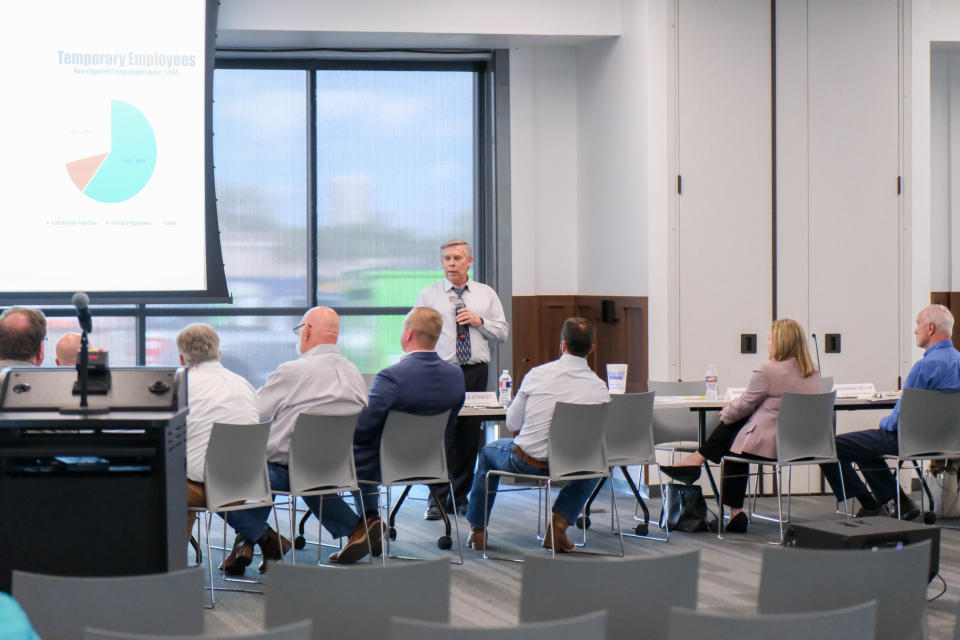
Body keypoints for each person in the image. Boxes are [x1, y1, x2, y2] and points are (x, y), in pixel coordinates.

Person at [221, 306, 368, 574]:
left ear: (307, 331)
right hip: (330, 469)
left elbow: (254, 412)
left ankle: (262, 538)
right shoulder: (355, 374)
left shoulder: (292, 371)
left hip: (283, 470)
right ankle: (355, 526)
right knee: (282, 471)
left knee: (218, 476)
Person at [328, 306, 467, 563]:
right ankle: (370, 527)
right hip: (433, 463)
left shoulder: (391, 377)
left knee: (349, 452)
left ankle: (367, 523)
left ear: (409, 334)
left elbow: (365, 429)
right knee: (362, 451)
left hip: (387, 464)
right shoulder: (456, 376)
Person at [661, 318, 821, 533]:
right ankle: (697, 460)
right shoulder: (814, 373)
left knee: (735, 441)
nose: (766, 344)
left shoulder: (767, 371)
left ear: (780, 342)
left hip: (773, 448)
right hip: (805, 446)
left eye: (769, 339)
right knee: (740, 433)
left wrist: (726, 413)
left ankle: (732, 508)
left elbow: (745, 404)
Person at [464, 317, 609, 552]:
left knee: (488, 453)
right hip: (573, 464)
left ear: (562, 345)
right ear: (592, 349)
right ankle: (559, 526)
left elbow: (512, 422)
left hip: (527, 462)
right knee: (597, 462)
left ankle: (478, 531)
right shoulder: (600, 388)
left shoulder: (537, 375)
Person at [821, 304, 960, 520]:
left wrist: (884, 423)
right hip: (950, 442)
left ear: (930, 328)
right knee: (865, 446)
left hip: (912, 440)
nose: (915, 330)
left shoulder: (924, 367)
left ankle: (870, 504)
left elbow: (899, 419)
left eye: (918, 324)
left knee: (832, 445)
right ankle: (901, 504)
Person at [415, 239, 508, 520]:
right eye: (446, 259)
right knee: (441, 434)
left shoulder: (485, 294)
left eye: (457, 258)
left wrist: (480, 321)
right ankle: (437, 500)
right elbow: (416, 333)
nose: (451, 264)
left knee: (468, 434)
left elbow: (502, 332)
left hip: (475, 371)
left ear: (470, 262)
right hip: (440, 372)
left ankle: (459, 497)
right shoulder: (429, 295)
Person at [177, 324, 260, 542]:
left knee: (154, 479)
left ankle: (170, 560)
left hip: (203, 490)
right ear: (219, 353)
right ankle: (261, 534)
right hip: (245, 486)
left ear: (182, 360)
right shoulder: (245, 385)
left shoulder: (182, 386)